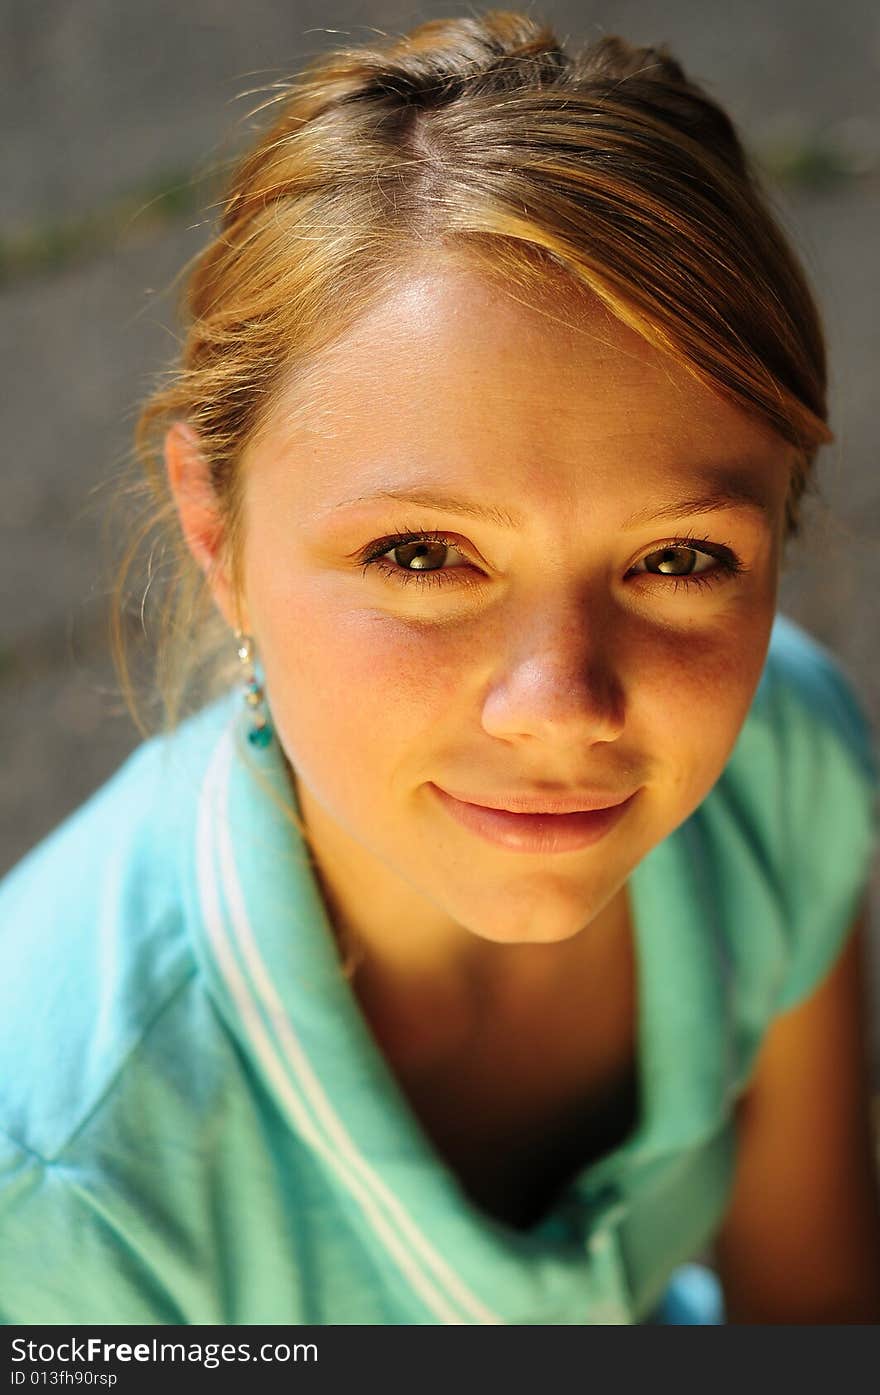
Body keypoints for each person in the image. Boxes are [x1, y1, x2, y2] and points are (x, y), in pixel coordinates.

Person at [1, 10, 879, 1326]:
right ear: (216, 533)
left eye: (680, 560)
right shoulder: (63, 1190)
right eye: (423, 555)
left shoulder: (786, 766)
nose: (559, 705)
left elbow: (806, 1303)